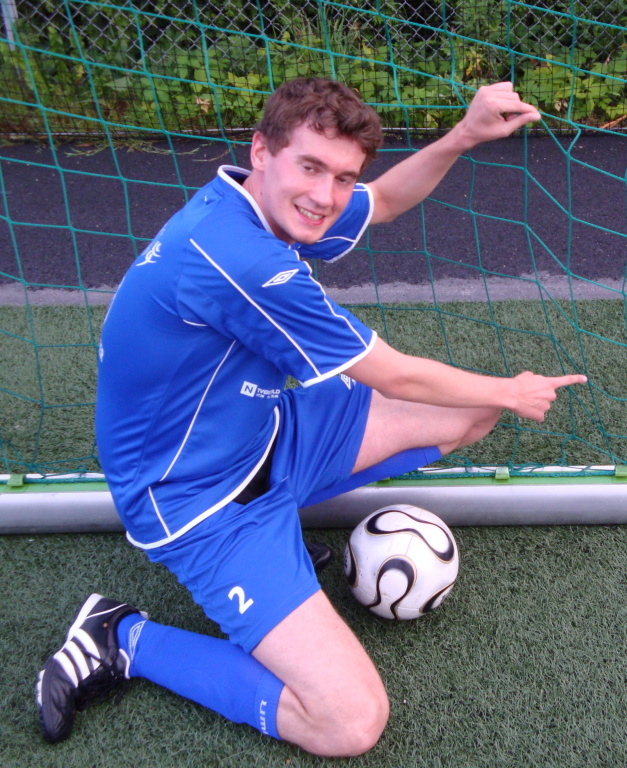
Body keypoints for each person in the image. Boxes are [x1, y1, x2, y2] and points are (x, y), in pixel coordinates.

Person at [35, 78, 586, 758]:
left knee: (468, 412)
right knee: (348, 723)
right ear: (261, 152)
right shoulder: (235, 256)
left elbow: (384, 201)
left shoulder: (265, 206)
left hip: (265, 434)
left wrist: (464, 136)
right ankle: (122, 639)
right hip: (198, 501)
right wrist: (513, 390)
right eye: (311, 168)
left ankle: (284, 544)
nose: (326, 196)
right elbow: (394, 374)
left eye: (342, 176)